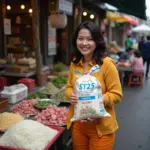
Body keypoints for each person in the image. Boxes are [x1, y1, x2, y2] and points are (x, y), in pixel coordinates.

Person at [65, 21, 123, 150]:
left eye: (89, 39)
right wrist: (71, 95)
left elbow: (117, 94)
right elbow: (69, 87)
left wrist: (96, 102)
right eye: (80, 39)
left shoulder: (107, 64)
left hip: (101, 128)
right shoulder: (75, 64)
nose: (84, 43)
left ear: (97, 41)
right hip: (78, 126)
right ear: (76, 41)